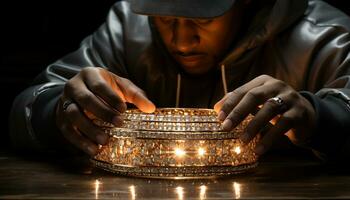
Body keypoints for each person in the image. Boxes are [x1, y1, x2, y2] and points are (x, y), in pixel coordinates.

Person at [9, 0, 350, 162]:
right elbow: (23, 108)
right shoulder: (129, 26)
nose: (182, 41)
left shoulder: (323, 38)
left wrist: (320, 117)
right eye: (166, 19)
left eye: (203, 20)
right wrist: (56, 112)